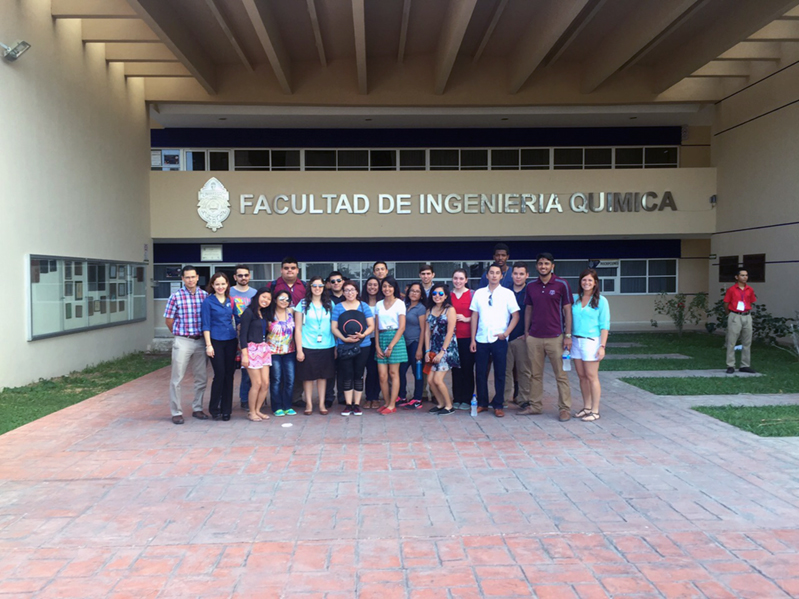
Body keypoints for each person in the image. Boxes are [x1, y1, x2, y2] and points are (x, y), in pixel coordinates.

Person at [523, 253, 574, 421]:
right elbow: (528, 310)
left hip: (556, 337)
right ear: (536, 266)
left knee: (561, 375)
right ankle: (535, 406)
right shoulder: (531, 286)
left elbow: (567, 310)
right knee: (535, 374)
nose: (543, 266)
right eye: (540, 264)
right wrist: (526, 332)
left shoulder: (562, 284)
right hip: (535, 337)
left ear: (552, 266)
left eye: (546, 263)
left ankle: (564, 408)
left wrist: (567, 335)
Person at [470, 263, 519, 418]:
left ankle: (498, 404)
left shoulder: (507, 294)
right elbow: (474, 316)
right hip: (481, 338)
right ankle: (483, 403)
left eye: (497, 273)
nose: (494, 275)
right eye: (491, 272)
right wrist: (472, 339)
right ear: (487, 275)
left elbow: (515, 315)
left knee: (500, 372)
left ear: (501, 276)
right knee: (480, 372)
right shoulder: (478, 293)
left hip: (499, 339)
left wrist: (506, 333)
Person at [164, 265, 210, 424]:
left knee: (201, 378)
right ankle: (176, 411)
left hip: (200, 341)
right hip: (183, 340)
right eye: (187, 277)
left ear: (198, 277)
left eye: (193, 277)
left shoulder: (205, 296)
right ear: (182, 279)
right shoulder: (175, 297)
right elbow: (169, 320)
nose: (190, 280)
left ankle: (197, 408)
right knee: (177, 378)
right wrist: (178, 334)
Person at [571, 269, 610, 422]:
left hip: (591, 341)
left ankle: (595, 410)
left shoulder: (601, 301)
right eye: (584, 280)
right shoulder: (576, 299)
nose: (586, 283)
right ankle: (586, 407)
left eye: (589, 280)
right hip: (575, 341)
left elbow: (604, 325)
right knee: (581, 376)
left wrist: (602, 346)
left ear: (595, 283)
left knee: (592, 376)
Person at [331, 281, 375, 415]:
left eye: (352, 290)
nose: (349, 293)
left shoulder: (364, 306)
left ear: (357, 292)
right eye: (346, 290)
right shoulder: (338, 307)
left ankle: (357, 404)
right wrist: (344, 339)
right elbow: (334, 327)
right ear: (343, 293)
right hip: (344, 346)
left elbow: (371, 325)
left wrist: (363, 335)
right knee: (347, 374)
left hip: (363, 345)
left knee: (359, 374)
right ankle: (348, 404)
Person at [295, 276, 336, 415]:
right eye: (314, 286)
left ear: (324, 287)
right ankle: (309, 404)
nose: (317, 289)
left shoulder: (330, 304)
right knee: (308, 377)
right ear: (310, 287)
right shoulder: (302, 304)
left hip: (327, 345)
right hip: (308, 345)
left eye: (320, 286)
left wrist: (336, 346)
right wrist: (299, 350)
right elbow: (298, 329)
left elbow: (333, 327)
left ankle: (322, 404)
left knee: (322, 376)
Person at [201, 273, 238, 421]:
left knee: (229, 375)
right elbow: (206, 324)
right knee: (220, 374)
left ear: (227, 285)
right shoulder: (208, 302)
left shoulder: (231, 300)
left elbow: (239, 319)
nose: (220, 287)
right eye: (217, 284)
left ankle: (226, 409)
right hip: (215, 341)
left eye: (223, 284)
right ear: (212, 286)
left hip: (231, 340)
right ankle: (214, 408)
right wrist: (208, 345)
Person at [424, 283, 460, 415]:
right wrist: (427, 351)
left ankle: (449, 406)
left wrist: (442, 352)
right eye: (434, 293)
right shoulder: (429, 310)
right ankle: (440, 404)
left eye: (440, 294)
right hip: (433, 347)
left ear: (445, 296)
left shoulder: (450, 310)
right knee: (430, 380)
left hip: (447, 348)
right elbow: (427, 333)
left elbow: (450, 332)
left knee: (438, 380)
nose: (437, 296)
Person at [375, 276, 408, 414]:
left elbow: (402, 327)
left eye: (390, 286)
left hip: (396, 339)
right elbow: (376, 327)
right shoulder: (378, 304)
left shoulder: (400, 303)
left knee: (393, 373)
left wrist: (391, 346)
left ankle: (392, 404)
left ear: (394, 288)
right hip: (382, 337)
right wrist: (377, 346)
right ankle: (387, 401)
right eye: (384, 286)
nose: (387, 289)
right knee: (382, 375)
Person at [239, 287, 272, 422]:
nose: (266, 300)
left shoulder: (264, 313)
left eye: (269, 299)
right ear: (257, 296)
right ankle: (251, 412)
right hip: (251, 350)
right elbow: (242, 335)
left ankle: (258, 410)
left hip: (263, 349)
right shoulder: (248, 312)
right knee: (256, 383)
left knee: (265, 383)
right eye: (264, 297)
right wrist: (244, 355)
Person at [505, 262, 532, 408]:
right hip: (506, 337)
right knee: (505, 370)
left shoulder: (531, 291)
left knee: (524, 371)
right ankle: (502, 399)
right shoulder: (505, 292)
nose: (518, 276)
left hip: (523, 337)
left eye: (521, 274)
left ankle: (524, 399)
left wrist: (529, 333)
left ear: (527, 275)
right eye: (515, 273)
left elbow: (536, 314)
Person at [230, 264, 256, 411]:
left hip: (249, 336)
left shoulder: (254, 293)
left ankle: (245, 399)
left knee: (247, 369)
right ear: (235, 277)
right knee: (229, 370)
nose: (243, 278)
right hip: (230, 336)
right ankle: (224, 399)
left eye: (246, 275)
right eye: (240, 275)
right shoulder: (229, 292)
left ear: (249, 276)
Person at [266, 289, 297, 417]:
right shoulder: (269, 314)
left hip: (289, 351)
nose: (284, 301)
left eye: (287, 299)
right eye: (281, 299)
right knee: (276, 379)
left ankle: (287, 406)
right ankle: (277, 406)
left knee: (290, 379)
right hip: (273, 352)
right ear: (275, 300)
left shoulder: (291, 312)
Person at [397, 282, 425, 410]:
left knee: (417, 372)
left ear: (421, 294)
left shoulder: (421, 308)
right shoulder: (404, 305)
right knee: (401, 370)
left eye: (417, 291)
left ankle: (417, 399)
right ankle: (402, 396)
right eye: (412, 291)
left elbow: (423, 329)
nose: (414, 293)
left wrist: (420, 348)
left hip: (415, 343)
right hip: (404, 343)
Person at [724, 268, 757, 374]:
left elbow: (751, 301)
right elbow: (726, 303)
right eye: (742, 275)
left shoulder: (750, 289)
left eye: (746, 275)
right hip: (735, 315)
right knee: (732, 341)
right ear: (737, 277)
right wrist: (729, 314)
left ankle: (745, 365)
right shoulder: (732, 289)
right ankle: (730, 365)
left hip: (746, 315)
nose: (745, 277)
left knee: (747, 341)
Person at [450, 268, 475, 410]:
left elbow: (479, 314)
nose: (458, 281)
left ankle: (467, 398)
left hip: (467, 337)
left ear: (466, 280)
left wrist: (467, 319)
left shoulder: (472, 295)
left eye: (461, 278)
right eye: (455, 278)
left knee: (467, 368)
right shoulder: (448, 295)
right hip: (452, 339)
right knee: (455, 369)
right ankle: (457, 397)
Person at [324, 270, 347, 408]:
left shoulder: (349, 296)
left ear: (343, 282)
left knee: (344, 369)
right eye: (333, 281)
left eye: (338, 280)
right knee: (329, 370)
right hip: (329, 338)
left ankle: (343, 396)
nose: (336, 283)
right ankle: (328, 397)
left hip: (345, 339)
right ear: (329, 284)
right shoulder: (325, 298)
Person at [362, 276, 382, 409]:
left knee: (378, 369)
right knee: (369, 369)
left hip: (380, 339)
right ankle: (368, 397)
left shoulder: (382, 302)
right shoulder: (361, 302)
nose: (372, 287)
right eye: (370, 285)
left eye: (375, 285)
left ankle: (375, 397)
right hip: (365, 339)